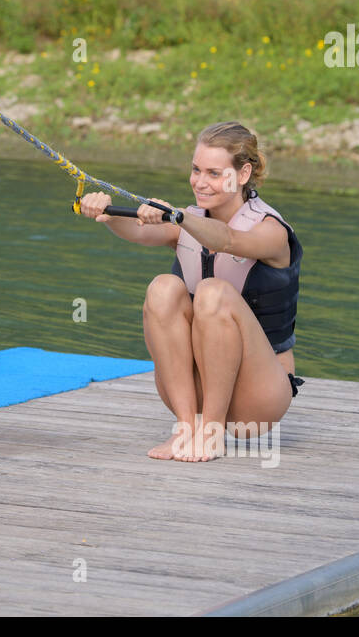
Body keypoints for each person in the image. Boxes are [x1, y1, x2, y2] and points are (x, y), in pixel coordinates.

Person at [78, 121, 303, 462]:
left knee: (213, 293)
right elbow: (139, 233)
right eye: (196, 170)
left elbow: (228, 240)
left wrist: (177, 217)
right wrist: (106, 213)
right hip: (200, 388)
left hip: (258, 399)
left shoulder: (271, 231)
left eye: (214, 173)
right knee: (163, 288)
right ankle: (186, 428)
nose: (200, 182)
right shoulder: (187, 220)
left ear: (243, 174)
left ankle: (212, 433)